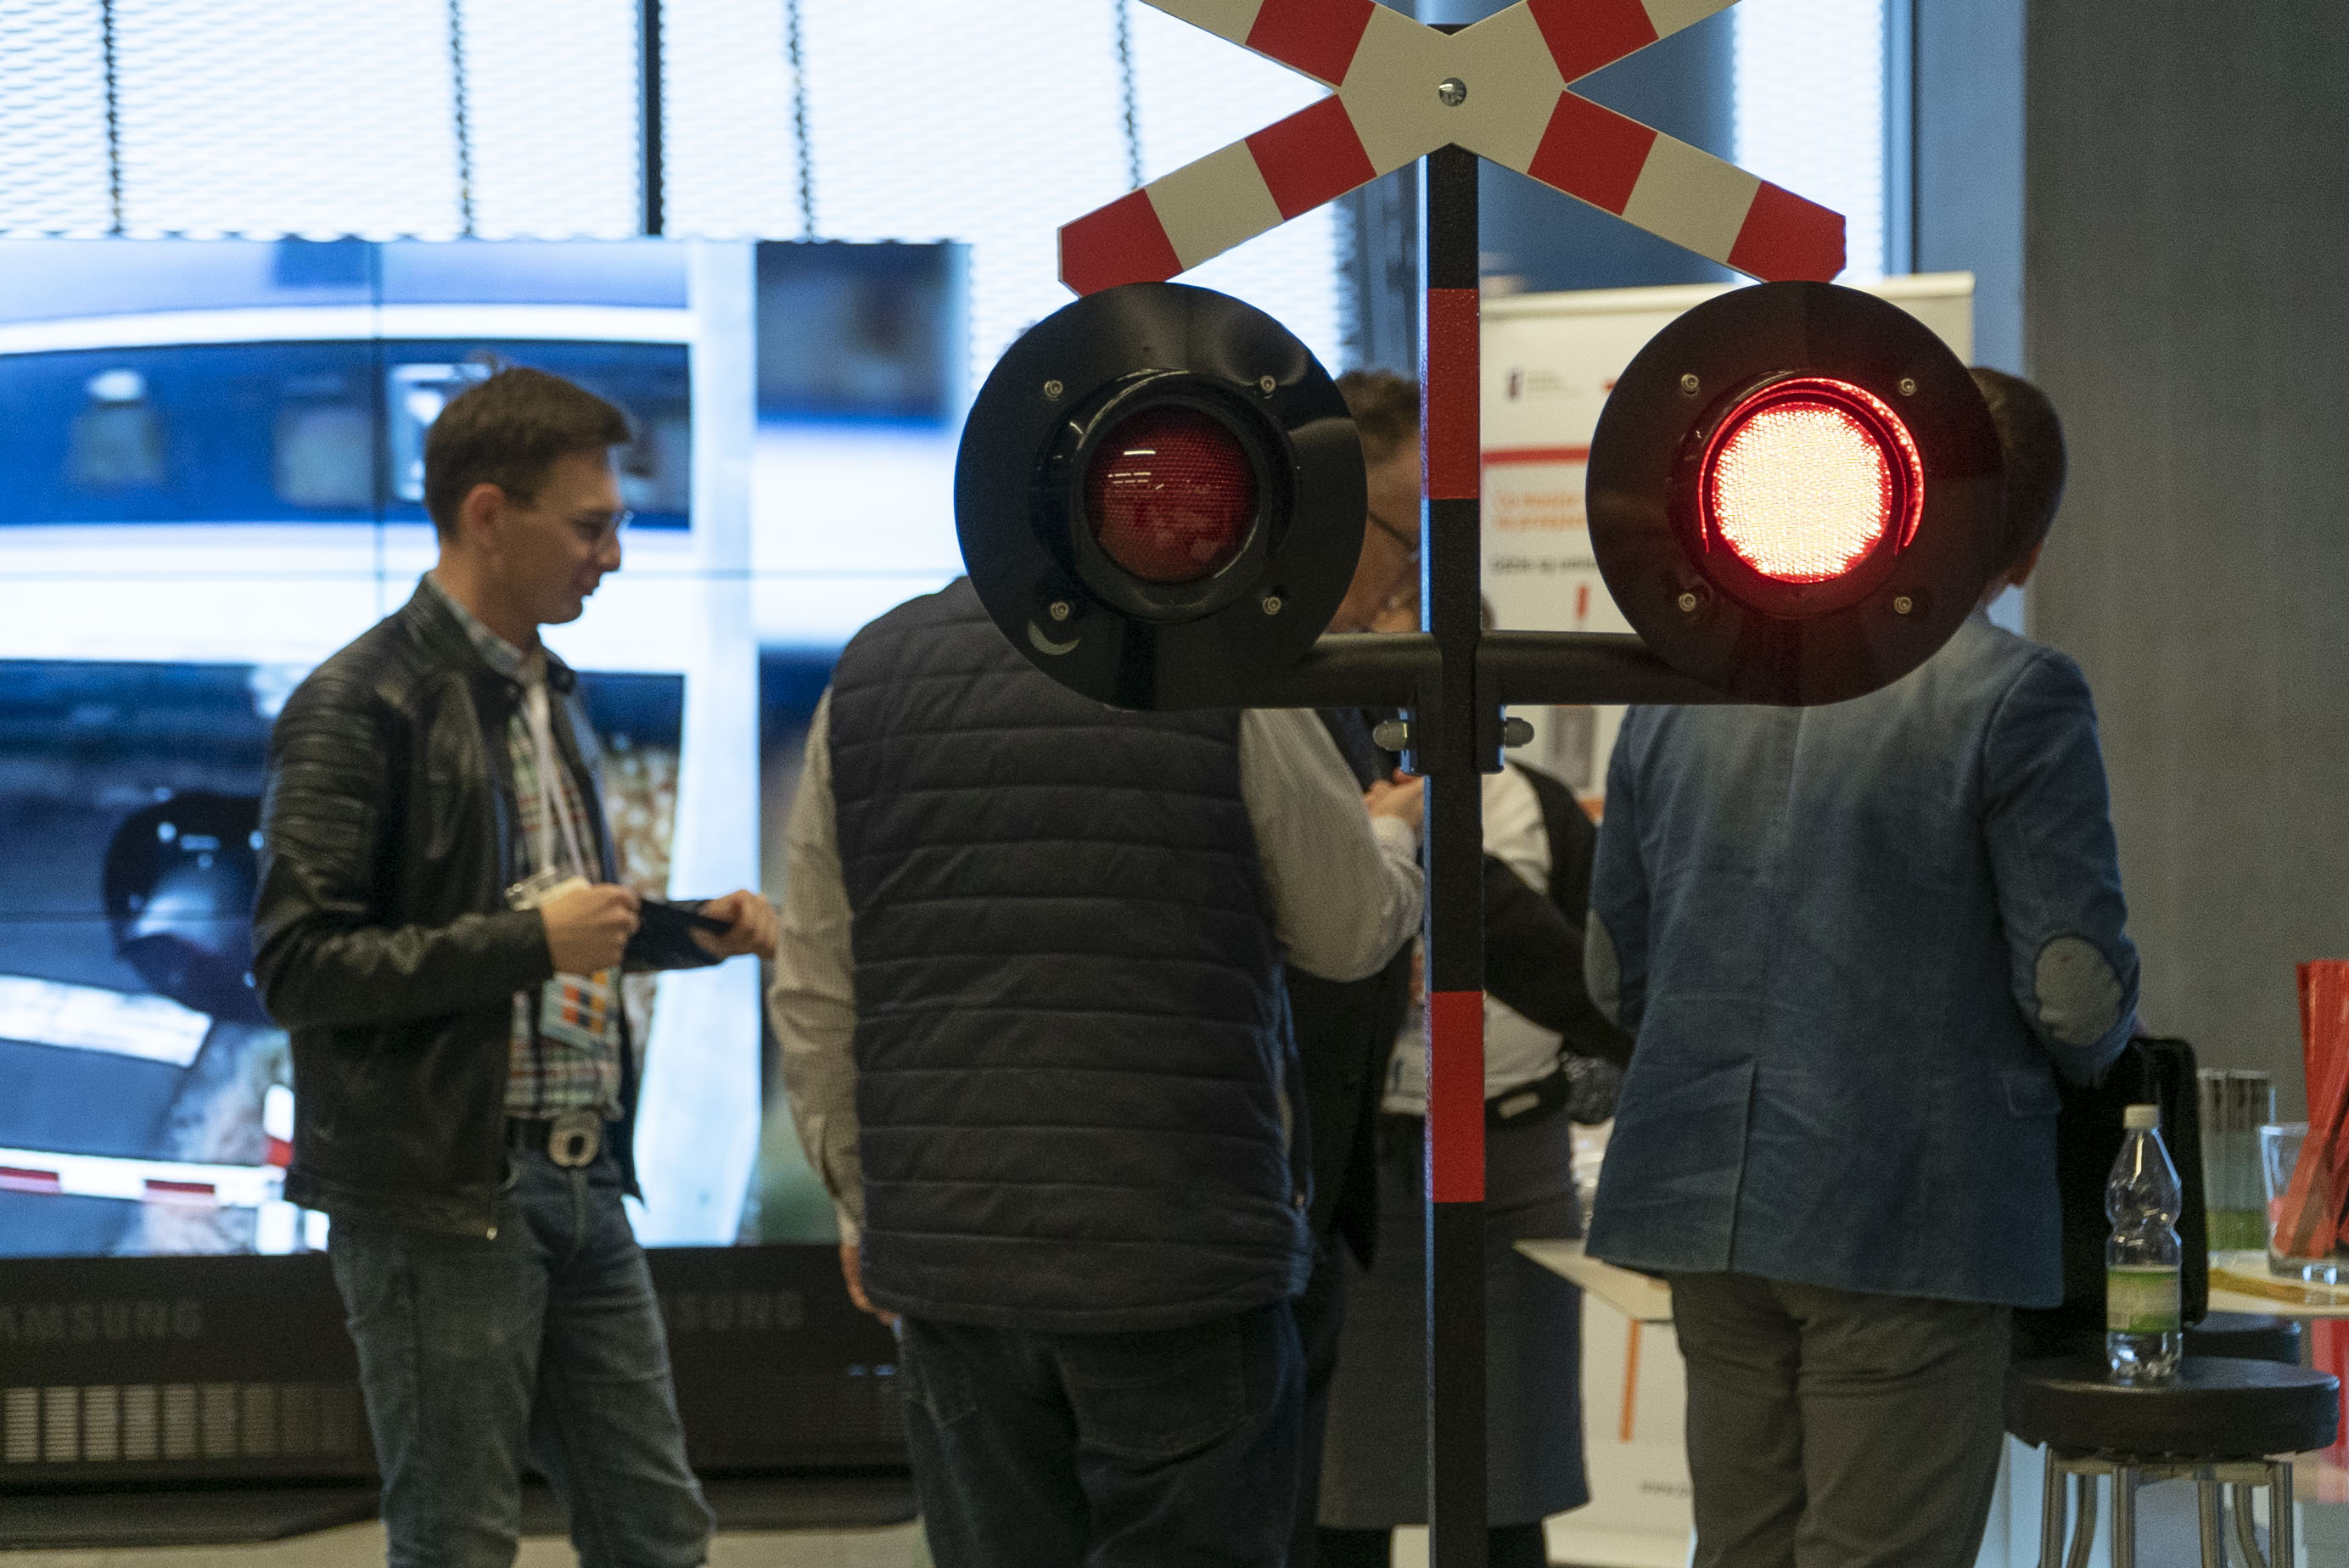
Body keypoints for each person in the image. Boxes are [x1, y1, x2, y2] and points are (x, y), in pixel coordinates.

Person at [1583, 367, 2139, 1568]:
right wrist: (2100, 1056)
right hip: (1912, 1213)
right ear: (2025, 554)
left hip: (1705, 1202)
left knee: (1739, 1549)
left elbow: (1610, 977)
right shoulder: (2016, 692)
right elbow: (2073, 990)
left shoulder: (1686, 683)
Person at [767, 572, 1424, 1567]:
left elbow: (818, 984)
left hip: (954, 1259)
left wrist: (863, 1205)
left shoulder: (870, 671)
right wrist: (1391, 835)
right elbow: (1345, 932)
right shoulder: (1220, 656)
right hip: (1181, 1253)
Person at [252, 366, 779, 1568]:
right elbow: (298, 964)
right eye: (591, 527)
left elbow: (543, 918)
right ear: (489, 515)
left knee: (658, 1534)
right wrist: (534, 944)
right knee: (458, 1543)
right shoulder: (357, 703)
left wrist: (681, 932)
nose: (613, 558)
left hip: (583, 1181)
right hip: (444, 1194)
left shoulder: (548, 693)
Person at [1308, 384, 1631, 1566]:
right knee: (1337, 1497)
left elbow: (1590, 985)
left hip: (1511, 1166)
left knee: (1505, 1492)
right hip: (1359, 1173)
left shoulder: (1533, 804)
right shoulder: (1321, 773)